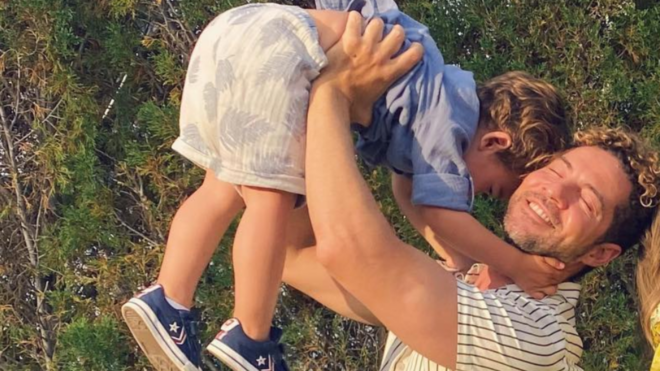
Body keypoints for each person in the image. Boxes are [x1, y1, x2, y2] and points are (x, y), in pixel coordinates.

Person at [121, 3, 570, 371]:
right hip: (288, 52)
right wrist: (515, 262)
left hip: (236, 31)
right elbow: (439, 212)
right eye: (490, 190)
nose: (475, 196)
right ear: (494, 142)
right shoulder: (449, 121)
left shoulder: (429, 99)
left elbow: (409, 191)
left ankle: (167, 297)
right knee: (271, 199)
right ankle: (250, 336)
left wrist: (455, 258)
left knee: (219, 189)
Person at [286, 11, 660, 370]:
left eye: (587, 201)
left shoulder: (539, 337)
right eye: (556, 169)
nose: (555, 191)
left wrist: (332, 91)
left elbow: (349, 251)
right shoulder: (461, 280)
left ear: (600, 253)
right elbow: (290, 254)